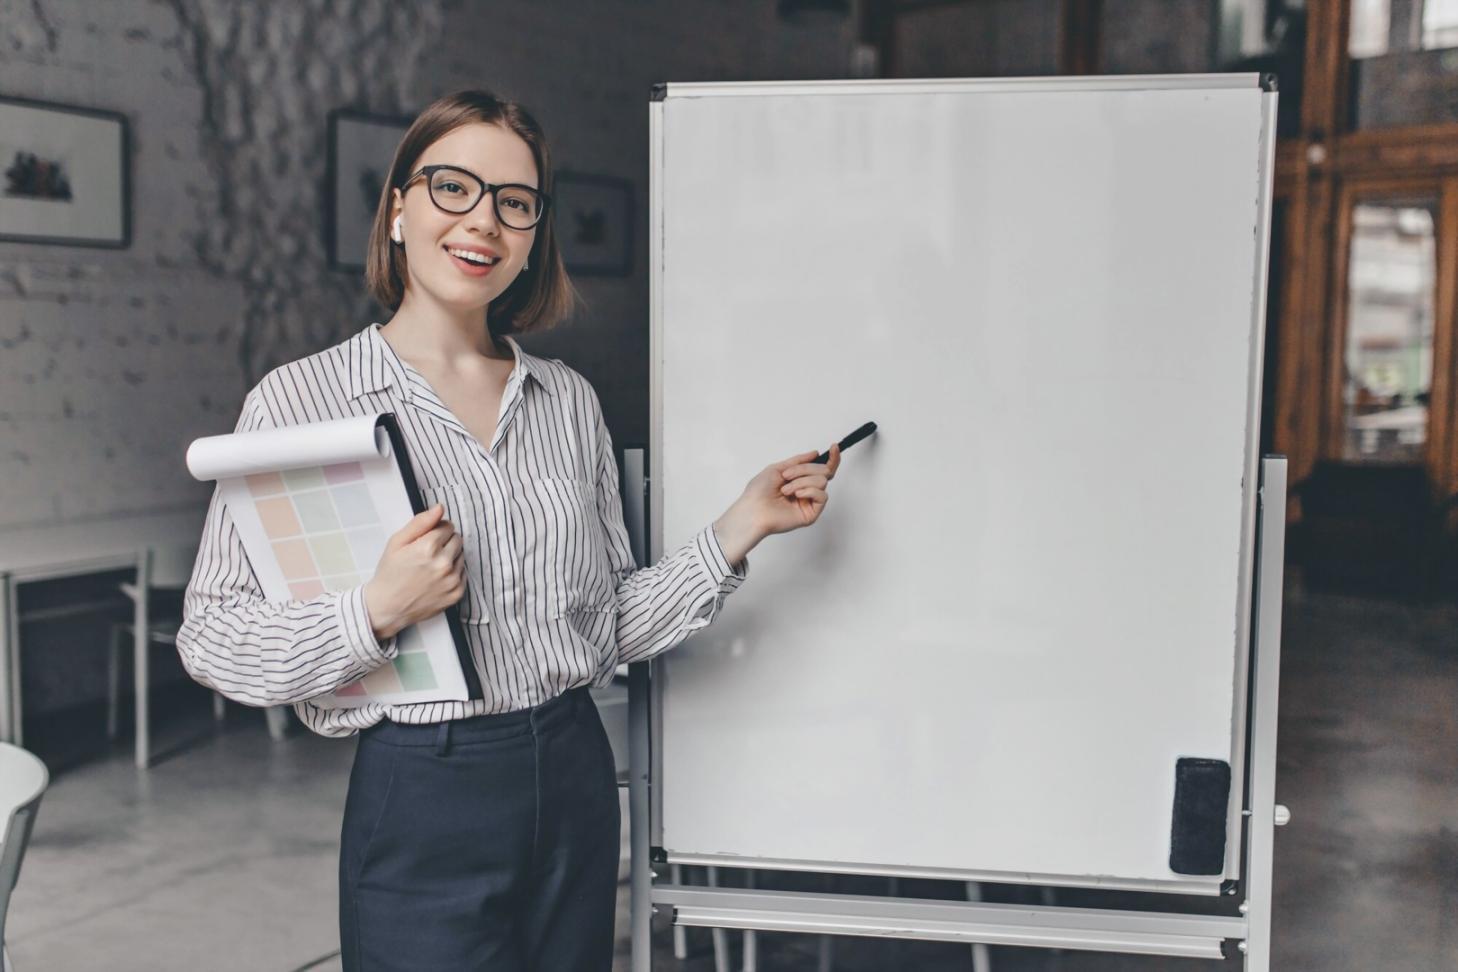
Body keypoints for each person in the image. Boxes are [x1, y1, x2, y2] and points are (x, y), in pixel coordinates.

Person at [174, 88, 840, 972]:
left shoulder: (566, 402)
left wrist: (740, 524)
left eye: (513, 202)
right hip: (420, 788)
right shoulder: (300, 403)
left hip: (571, 770)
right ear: (399, 209)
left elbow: (600, 628)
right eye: (452, 187)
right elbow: (212, 639)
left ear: (532, 239)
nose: (482, 220)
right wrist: (371, 611)